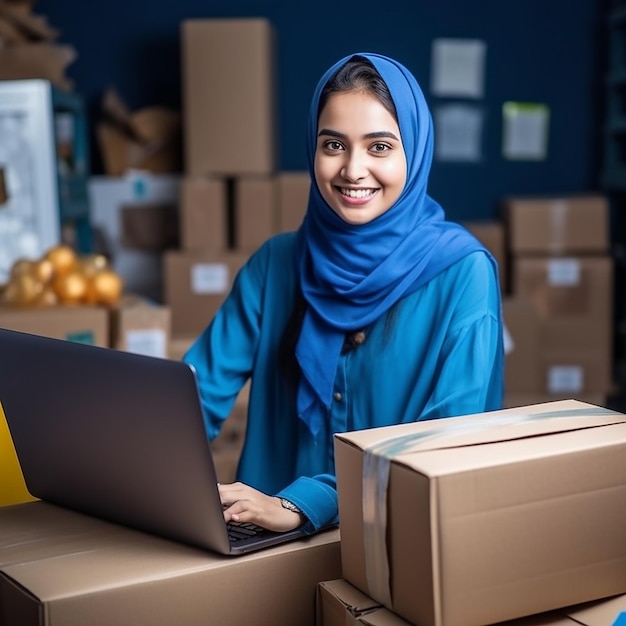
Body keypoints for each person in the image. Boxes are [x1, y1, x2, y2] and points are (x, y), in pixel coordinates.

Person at [183, 51, 504, 535]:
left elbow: (445, 449)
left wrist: (300, 504)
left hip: (401, 547)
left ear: (414, 153)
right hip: (266, 549)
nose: (353, 169)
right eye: (334, 144)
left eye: (379, 147)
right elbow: (194, 395)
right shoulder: (276, 263)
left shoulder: (463, 275)